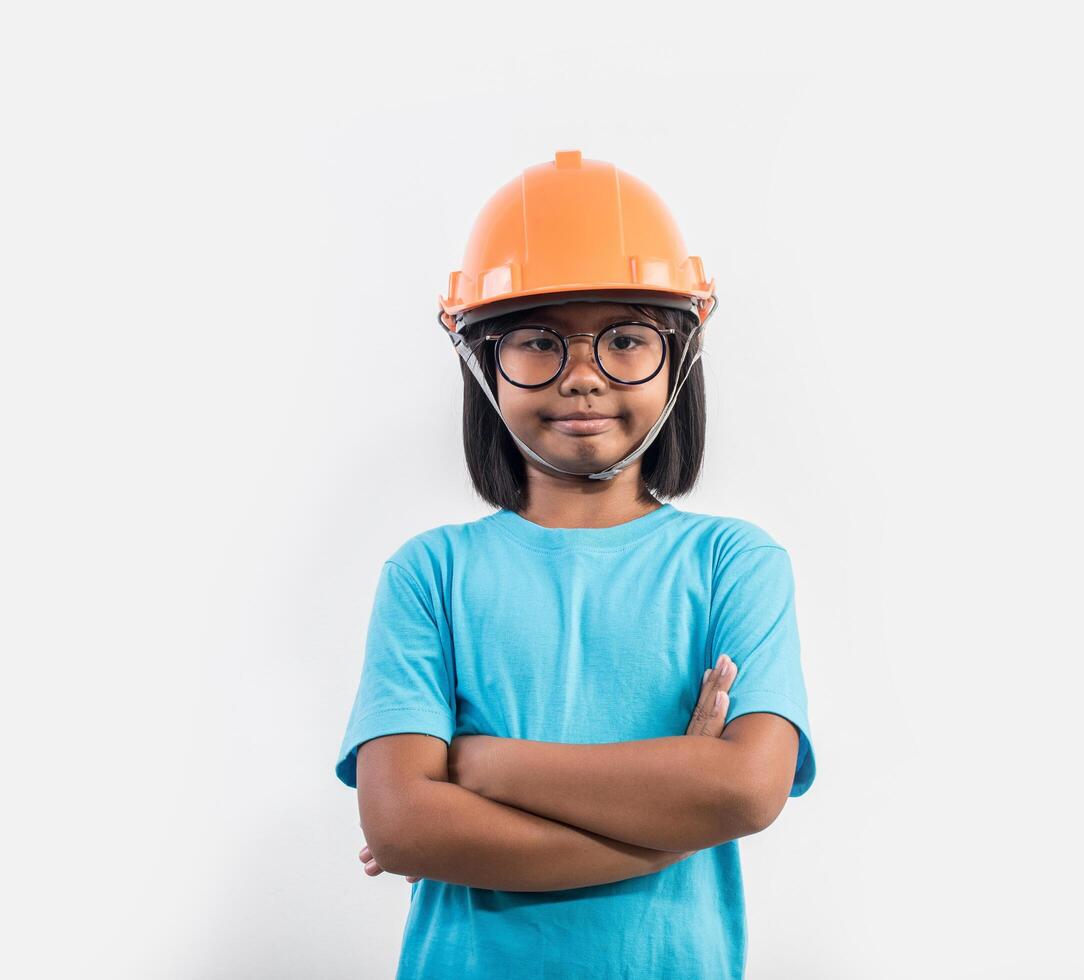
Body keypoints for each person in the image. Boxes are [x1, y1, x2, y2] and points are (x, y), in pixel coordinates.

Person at [334, 149, 817, 979]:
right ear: (483, 362)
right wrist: (669, 816)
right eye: (536, 343)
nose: (583, 377)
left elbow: (743, 792)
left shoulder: (733, 563)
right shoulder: (430, 574)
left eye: (626, 339)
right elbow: (403, 826)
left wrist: (481, 764)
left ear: (679, 358)